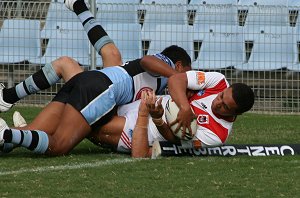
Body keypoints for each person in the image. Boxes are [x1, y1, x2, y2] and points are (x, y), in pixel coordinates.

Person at [0, 71, 255, 158]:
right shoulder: (219, 82)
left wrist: (158, 118)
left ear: (236, 114)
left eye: (224, 107)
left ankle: (16, 133)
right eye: (222, 97)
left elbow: (177, 141)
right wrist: (184, 107)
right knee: (81, 96)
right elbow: (177, 79)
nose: (218, 103)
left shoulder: (218, 134)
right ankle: (21, 133)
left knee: (73, 132)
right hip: (136, 103)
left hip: (138, 131)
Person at [0, 0, 192, 113]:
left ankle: (17, 133)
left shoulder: (173, 88)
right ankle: (8, 98)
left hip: (109, 102)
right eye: (186, 72)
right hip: (109, 88)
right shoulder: (165, 71)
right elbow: (149, 63)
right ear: (178, 65)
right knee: (70, 62)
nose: (188, 78)